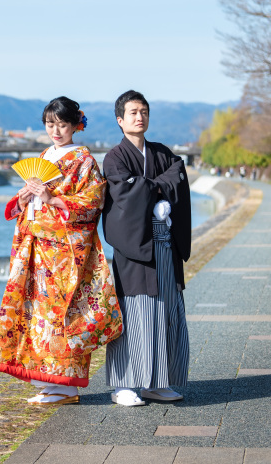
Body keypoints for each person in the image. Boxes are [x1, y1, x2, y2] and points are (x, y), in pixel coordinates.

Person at [0, 96, 123, 405]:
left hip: (62, 254)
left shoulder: (84, 160)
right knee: (35, 314)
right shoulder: (45, 154)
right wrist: (24, 199)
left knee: (61, 317)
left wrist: (51, 199)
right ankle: (47, 383)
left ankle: (66, 387)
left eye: (63, 125)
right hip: (35, 248)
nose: (56, 131)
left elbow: (93, 202)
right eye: (51, 124)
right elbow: (29, 204)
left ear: (77, 125)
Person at [102, 90, 191, 407]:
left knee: (166, 309)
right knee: (134, 313)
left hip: (164, 246)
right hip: (133, 247)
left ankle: (159, 382)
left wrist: (151, 187)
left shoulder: (163, 153)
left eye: (144, 111)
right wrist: (159, 189)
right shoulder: (114, 158)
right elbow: (126, 192)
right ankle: (124, 384)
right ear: (120, 120)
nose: (140, 117)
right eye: (133, 112)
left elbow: (178, 171)